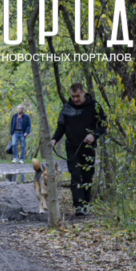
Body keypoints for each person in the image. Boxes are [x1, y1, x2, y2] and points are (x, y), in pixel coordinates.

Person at [50, 83, 107, 216]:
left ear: (84, 93)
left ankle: (86, 203)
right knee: (75, 175)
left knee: (87, 176)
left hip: (89, 147)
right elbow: (61, 127)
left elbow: (103, 125)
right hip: (72, 147)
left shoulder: (95, 106)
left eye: (78, 96)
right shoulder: (67, 107)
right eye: (73, 96)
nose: (75, 99)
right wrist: (54, 139)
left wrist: (94, 135)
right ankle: (79, 206)